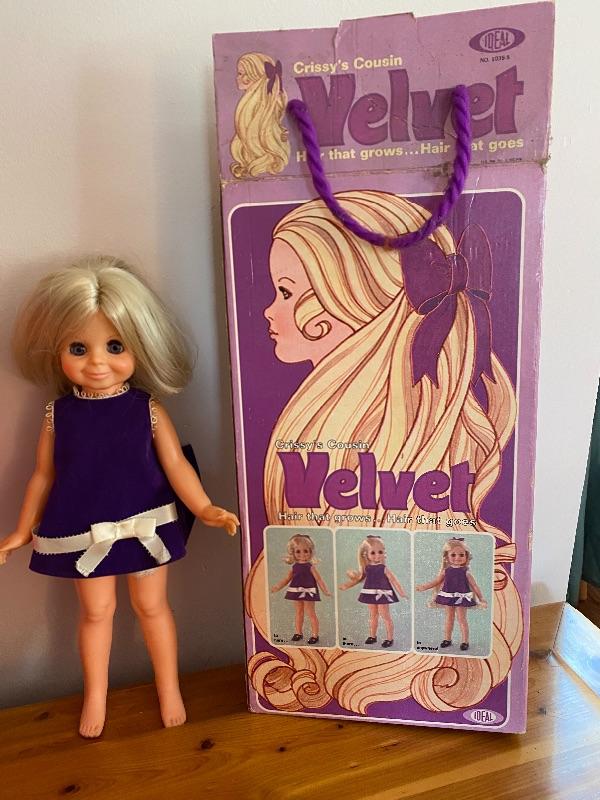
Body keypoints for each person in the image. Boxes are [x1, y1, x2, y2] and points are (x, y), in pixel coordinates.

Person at [245, 189, 522, 714]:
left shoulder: (426, 439)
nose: (269, 309)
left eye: (286, 291)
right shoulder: (317, 438)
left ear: (353, 300)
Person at [0, 256, 239, 737]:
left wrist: (204, 507)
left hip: (145, 522)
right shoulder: (57, 415)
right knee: (95, 612)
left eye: (114, 346)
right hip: (83, 529)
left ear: (139, 346)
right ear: (57, 351)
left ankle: (168, 687)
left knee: (152, 607)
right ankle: (96, 694)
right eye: (78, 348)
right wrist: (21, 530)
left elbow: (175, 465)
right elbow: (42, 476)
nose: (96, 362)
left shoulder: (146, 409)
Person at [416, 537, 487, 651]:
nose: (457, 558)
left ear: (466, 556)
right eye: (453, 555)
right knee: (449, 618)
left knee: (462, 619)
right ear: (447, 557)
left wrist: (481, 598)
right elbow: (436, 581)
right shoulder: (446, 571)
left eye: (461, 555)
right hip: (448, 596)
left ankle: (465, 641)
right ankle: (447, 639)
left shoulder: (466, 572)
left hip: (461, 598)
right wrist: (424, 587)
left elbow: (474, 586)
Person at [339, 535, 407, 648]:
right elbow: (359, 578)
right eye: (373, 553)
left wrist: (401, 593)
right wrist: (347, 585)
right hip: (370, 593)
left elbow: (393, 580)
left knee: (385, 616)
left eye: (380, 552)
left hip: (382, 594)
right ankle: (372, 636)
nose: (377, 555)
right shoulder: (367, 568)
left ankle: (389, 638)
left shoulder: (383, 568)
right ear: (366, 554)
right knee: (373, 615)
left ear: (384, 553)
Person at [230, 52, 290, 178]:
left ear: (253, 76)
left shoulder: (257, 109)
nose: (237, 78)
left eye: (240, 73)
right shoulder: (250, 108)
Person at [271, 533, 331, 644]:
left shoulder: (310, 567)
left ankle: (315, 635)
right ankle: (298, 632)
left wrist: (325, 590)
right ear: (293, 553)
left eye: (306, 551)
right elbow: (286, 579)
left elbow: (319, 579)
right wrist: (277, 586)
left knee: (311, 613)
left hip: (308, 592)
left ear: (310, 552)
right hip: (296, 591)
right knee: (298, 612)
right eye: (298, 551)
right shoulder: (294, 567)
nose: (302, 554)